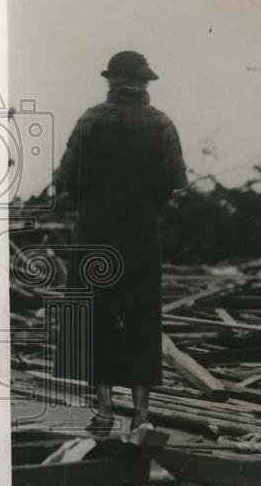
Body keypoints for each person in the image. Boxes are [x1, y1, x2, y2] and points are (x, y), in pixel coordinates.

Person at [56, 51, 188, 435]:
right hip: (142, 230)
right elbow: (171, 183)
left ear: (111, 83)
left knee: (95, 312)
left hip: (96, 228)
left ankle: (104, 410)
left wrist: (95, 208)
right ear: (145, 83)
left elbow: (69, 179)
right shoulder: (162, 123)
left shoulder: (90, 120)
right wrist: (143, 207)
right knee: (142, 316)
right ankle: (142, 414)